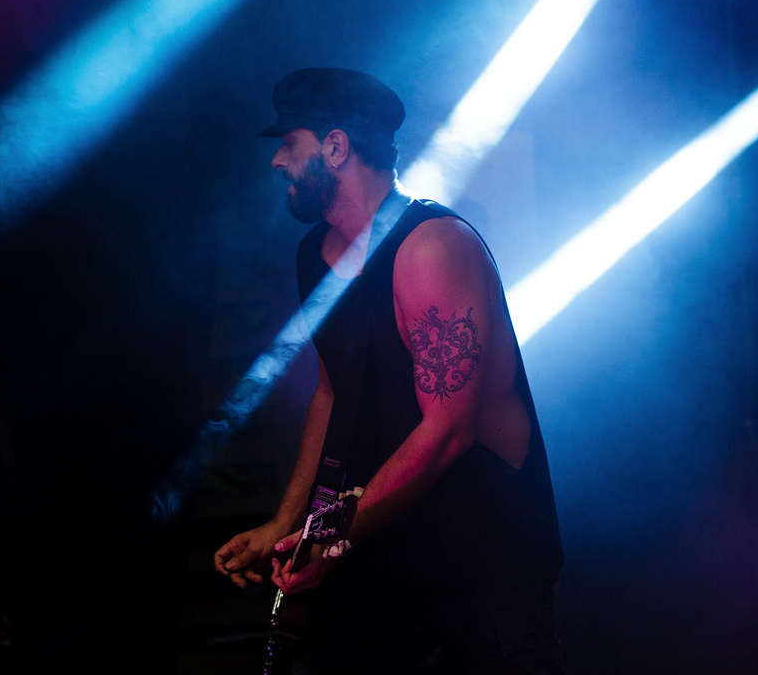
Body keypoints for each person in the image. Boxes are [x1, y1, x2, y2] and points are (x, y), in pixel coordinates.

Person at [214, 68, 566, 674]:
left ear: (335, 147)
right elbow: (332, 391)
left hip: (484, 558)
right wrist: (287, 522)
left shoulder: (433, 245)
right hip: (385, 550)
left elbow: (447, 430)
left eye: (290, 143)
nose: (278, 161)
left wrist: (331, 539)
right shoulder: (316, 253)